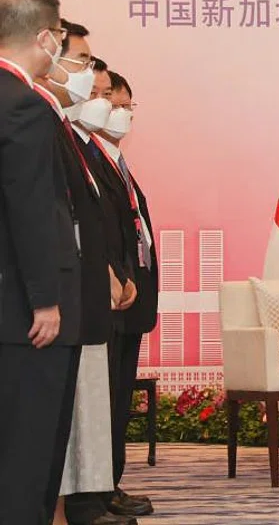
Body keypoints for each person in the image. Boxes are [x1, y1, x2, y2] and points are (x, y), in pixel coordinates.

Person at [37, 20, 139, 525]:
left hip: (95, 295)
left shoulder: (79, 141)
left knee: (94, 407)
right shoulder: (43, 125)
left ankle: (93, 494)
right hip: (61, 294)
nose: (105, 104)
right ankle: (77, 504)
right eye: (81, 65)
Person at [0, 0, 82, 525]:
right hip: (22, 311)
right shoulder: (24, 104)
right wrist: (45, 300)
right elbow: (30, 208)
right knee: (27, 455)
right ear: (47, 36)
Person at [73, 68, 157, 519]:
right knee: (101, 402)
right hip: (108, 295)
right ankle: (96, 493)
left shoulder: (115, 162)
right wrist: (116, 276)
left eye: (126, 105)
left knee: (118, 398)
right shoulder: (85, 157)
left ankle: (110, 484)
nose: (119, 112)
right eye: (109, 100)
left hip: (130, 298)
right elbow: (104, 233)